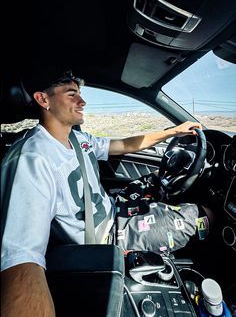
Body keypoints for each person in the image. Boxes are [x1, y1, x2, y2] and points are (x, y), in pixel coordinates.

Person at [1, 68, 213, 317]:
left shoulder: (79, 140)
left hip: (113, 207)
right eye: (72, 94)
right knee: (201, 213)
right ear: (43, 100)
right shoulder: (32, 158)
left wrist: (173, 132)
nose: (82, 101)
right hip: (106, 236)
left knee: (157, 182)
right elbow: (21, 258)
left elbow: (124, 145)